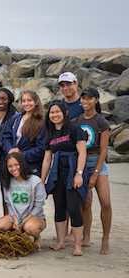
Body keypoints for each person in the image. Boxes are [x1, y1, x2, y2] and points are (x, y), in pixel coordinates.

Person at [41, 100, 88, 256]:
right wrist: (42, 180)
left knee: (74, 209)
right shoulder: (50, 132)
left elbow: (82, 152)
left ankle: (77, 246)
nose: (54, 115)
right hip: (57, 175)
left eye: (57, 112)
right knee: (59, 207)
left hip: (73, 172)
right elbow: (47, 159)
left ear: (65, 113)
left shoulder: (74, 129)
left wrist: (79, 174)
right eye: (52, 112)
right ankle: (60, 242)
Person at [73, 87, 111, 254]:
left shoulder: (102, 122)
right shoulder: (76, 121)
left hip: (97, 162)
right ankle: (86, 237)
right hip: (81, 162)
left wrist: (95, 173)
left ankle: (105, 238)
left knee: (106, 202)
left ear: (96, 100)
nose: (85, 102)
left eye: (89, 98)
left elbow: (104, 151)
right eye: (83, 98)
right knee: (85, 203)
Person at [0, 153, 46, 250]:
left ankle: (37, 238)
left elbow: (38, 206)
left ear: (22, 164)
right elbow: (8, 204)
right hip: (16, 217)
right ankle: (16, 233)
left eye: (16, 164)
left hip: (34, 217)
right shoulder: (7, 182)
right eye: (10, 166)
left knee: (30, 228)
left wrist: (24, 221)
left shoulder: (35, 181)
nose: (14, 168)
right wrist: (16, 220)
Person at [0, 88, 18, 216]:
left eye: (4, 99)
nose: (0, 102)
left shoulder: (15, 116)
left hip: (6, 156)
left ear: (9, 99)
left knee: (6, 187)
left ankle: (7, 218)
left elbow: (15, 136)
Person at [1, 90, 46, 176]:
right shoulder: (15, 118)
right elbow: (6, 136)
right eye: (24, 101)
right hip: (13, 165)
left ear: (36, 102)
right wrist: (10, 150)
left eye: (29, 100)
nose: (26, 103)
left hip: (31, 166)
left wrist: (20, 155)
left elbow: (40, 149)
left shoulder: (41, 123)